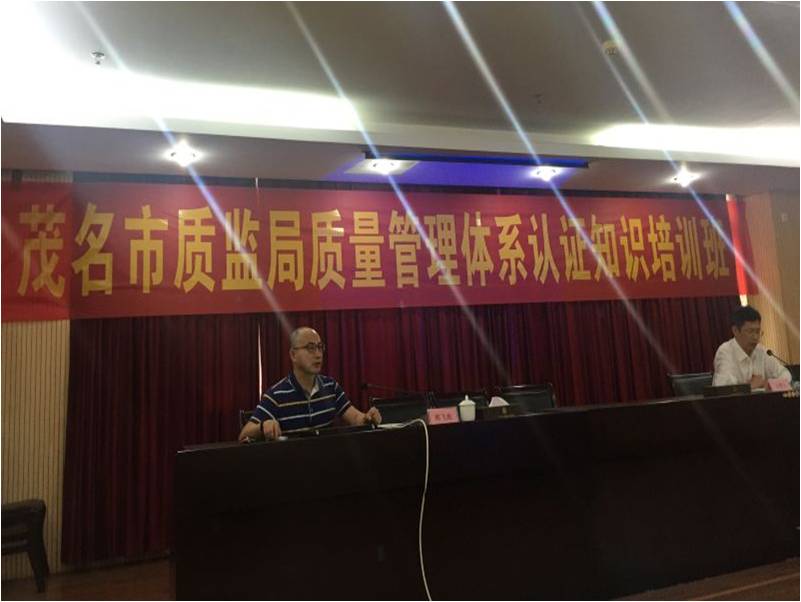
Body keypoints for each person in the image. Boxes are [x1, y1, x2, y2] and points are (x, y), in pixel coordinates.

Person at [238, 327, 382, 442]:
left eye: (320, 347)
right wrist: (262, 427)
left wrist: (367, 418)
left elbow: (355, 418)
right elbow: (244, 434)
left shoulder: (331, 387)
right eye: (310, 348)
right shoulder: (276, 395)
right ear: (293, 355)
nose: (318, 354)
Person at [712, 305, 791, 389]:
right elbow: (724, 388)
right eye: (750, 331)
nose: (755, 337)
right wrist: (749, 386)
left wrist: (769, 383)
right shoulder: (725, 352)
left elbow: (785, 374)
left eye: (757, 331)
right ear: (735, 330)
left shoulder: (761, 351)